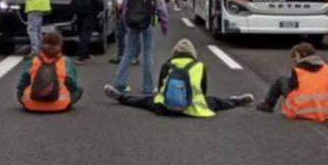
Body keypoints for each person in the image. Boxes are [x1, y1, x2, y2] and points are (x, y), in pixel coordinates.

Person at [103, 39, 253, 116]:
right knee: (216, 102)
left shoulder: (168, 64)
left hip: (165, 107)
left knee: (143, 100)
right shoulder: (199, 66)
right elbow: (203, 90)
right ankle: (235, 101)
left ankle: (121, 97)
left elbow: (162, 87)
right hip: (192, 107)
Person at [111, 0, 170, 94]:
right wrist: (164, 26)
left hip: (132, 23)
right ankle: (148, 87)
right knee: (148, 53)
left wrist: (126, 23)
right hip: (148, 22)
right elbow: (162, 9)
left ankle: (120, 83)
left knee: (128, 53)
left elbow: (125, 6)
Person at [256, 43, 328, 122]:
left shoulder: (299, 69)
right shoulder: (326, 68)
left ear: (303, 54)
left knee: (280, 80)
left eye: (295, 56)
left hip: (300, 109)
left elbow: (292, 86)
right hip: (322, 111)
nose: (294, 60)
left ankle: (267, 105)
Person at [17, 32, 83, 112]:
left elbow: (23, 82)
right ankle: (60, 102)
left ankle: (32, 102)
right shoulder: (65, 61)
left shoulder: (35, 60)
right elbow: (71, 82)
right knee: (78, 90)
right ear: (60, 46)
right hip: (59, 105)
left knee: (21, 90)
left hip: (32, 104)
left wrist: (21, 92)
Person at [109, 0, 141, 66]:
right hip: (125, 11)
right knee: (120, 33)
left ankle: (135, 56)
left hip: (133, 12)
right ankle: (121, 54)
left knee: (134, 34)